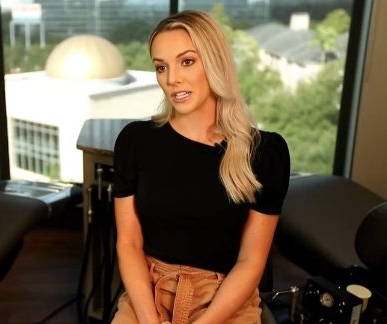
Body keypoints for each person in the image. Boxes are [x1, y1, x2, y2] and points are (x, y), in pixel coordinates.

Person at [111, 10, 290, 324]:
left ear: (215, 62)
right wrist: (150, 320)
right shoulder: (135, 141)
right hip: (150, 290)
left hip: (224, 299)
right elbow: (128, 243)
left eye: (187, 61)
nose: (171, 79)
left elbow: (251, 261)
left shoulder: (264, 152)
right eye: (161, 67)